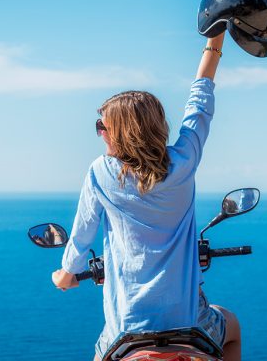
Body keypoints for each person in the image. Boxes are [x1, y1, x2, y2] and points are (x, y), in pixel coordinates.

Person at [52, 32, 241, 361]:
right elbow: (201, 100)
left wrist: (66, 274)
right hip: (190, 323)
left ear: (123, 132)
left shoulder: (101, 172)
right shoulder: (184, 161)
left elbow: (81, 239)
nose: (99, 132)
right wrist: (216, 36)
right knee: (233, 329)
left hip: (127, 328)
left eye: (103, 126)